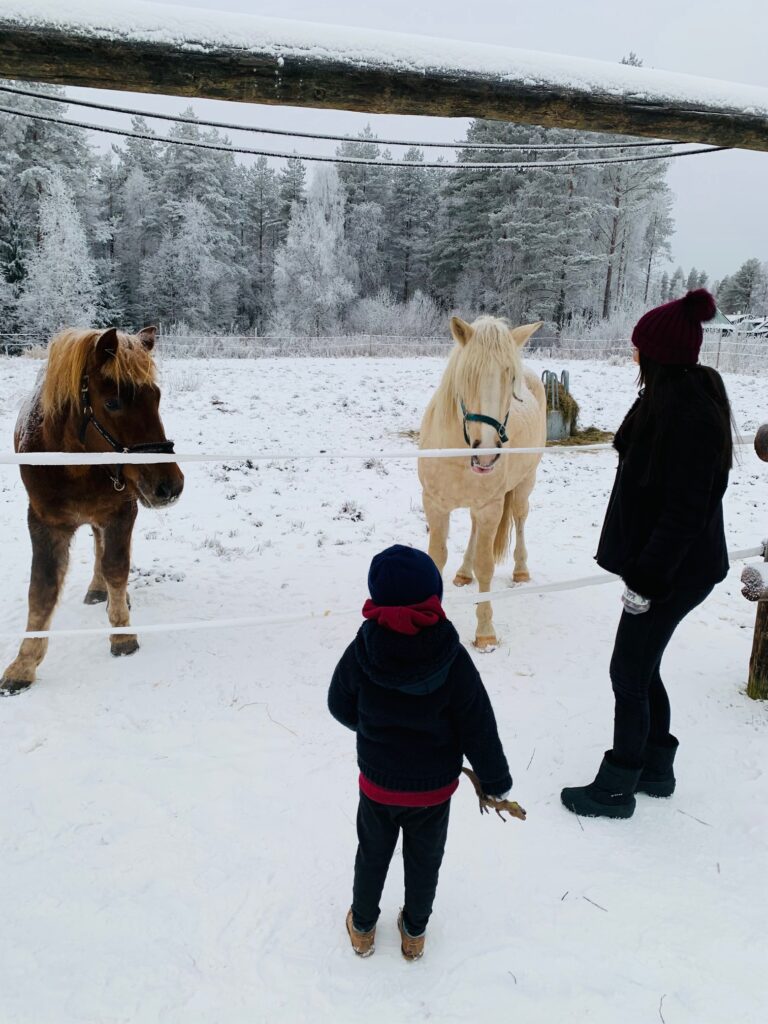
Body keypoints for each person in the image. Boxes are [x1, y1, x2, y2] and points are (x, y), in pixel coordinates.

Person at [561, 289, 733, 819]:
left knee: (628, 671)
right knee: (643, 666)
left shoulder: (688, 414)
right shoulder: (666, 397)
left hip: (675, 573)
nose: (633, 352)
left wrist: (645, 581)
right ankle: (656, 769)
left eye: (639, 345)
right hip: (669, 567)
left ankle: (617, 787)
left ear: (657, 352)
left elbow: (685, 513)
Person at [328, 544, 512, 960]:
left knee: (372, 854)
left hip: (378, 786)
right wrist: (495, 780)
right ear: (434, 595)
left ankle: (362, 928)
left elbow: (339, 703)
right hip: (432, 792)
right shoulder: (452, 655)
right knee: (425, 859)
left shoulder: (363, 647)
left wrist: (371, 730)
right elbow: (478, 723)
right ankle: (414, 933)